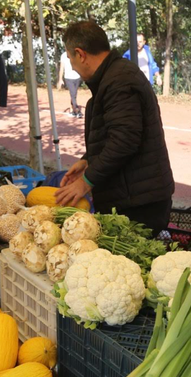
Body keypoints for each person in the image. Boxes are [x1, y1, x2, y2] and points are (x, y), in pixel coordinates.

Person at [55, 21, 175, 235]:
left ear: (80, 54)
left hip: (139, 203)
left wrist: (87, 181)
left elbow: (124, 140)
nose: (71, 65)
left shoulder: (119, 81)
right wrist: (88, 159)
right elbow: (112, 134)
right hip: (131, 196)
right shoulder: (112, 76)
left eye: (70, 57)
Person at [60, 51, 83, 118]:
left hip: (77, 77)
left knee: (74, 95)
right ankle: (77, 111)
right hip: (68, 78)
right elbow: (62, 67)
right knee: (73, 94)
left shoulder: (76, 53)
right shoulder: (63, 55)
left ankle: (73, 111)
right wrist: (60, 79)